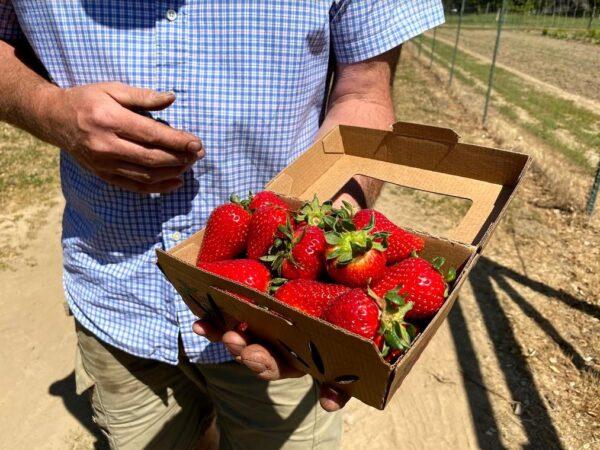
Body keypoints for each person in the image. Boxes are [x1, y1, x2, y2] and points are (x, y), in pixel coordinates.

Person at [0, 1, 443, 449]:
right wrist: (48, 110)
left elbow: (363, 95)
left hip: (279, 321)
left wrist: (325, 243)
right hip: (115, 296)